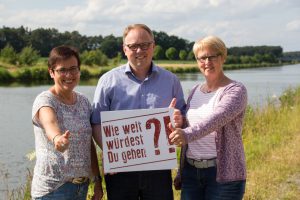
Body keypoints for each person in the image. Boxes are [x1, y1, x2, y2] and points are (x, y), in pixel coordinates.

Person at [91, 23, 186, 200]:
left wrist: (179, 121)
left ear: (153, 46)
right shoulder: (107, 81)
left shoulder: (171, 80)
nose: (139, 50)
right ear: (124, 49)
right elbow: (96, 122)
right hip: (120, 170)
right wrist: (112, 152)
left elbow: (183, 119)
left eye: (145, 45)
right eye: (133, 46)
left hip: (158, 168)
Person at [170, 36, 247, 200]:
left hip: (223, 174)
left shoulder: (235, 90)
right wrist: (180, 122)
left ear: (223, 57)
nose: (207, 61)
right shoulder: (195, 90)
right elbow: (192, 124)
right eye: (202, 57)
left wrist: (186, 134)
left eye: (213, 56)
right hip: (191, 172)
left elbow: (215, 119)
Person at [31, 45, 103, 200]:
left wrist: (97, 181)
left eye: (73, 69)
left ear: (79, 70)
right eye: (62, 70)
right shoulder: (45, 100)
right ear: (51, 72)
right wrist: (57, 138)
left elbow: (88, 144)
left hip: (81, 188)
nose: (69, 75)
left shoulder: (83, 101)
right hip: (53, 190)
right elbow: (50, 123)